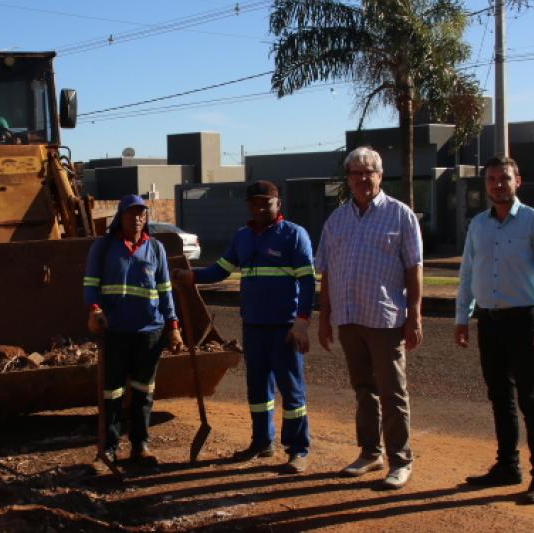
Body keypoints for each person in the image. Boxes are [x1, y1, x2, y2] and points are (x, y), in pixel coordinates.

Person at [173, 180, 314, 474]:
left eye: (266, 202)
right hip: (253, 326)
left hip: (284, 327)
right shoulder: (243, 237)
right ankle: (262, 442)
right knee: (258, 389)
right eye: (254, 203)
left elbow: (307, 281)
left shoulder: (294, 235)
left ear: (278, 204)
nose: (260, 207)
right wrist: (191, 276)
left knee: (292, 391)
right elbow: (220, 270)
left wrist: (302, 322)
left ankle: (297, 449)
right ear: (248, 206)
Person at [455, 156, 534, 504]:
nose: (497, 184)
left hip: (524, 321)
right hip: (489, 321)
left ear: (518, 182)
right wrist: (462, 317)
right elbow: (468, 274)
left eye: (504, 178)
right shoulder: (478, 225)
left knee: (530, 398)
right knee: (499, 396)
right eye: (491, 179)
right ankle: (507, 466)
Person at [315, 146, 422, 490]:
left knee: (393, 392)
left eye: (368, 172)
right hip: (349, 318)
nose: (362, 178)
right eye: (355, 173)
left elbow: (414, 268)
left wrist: (415, 315)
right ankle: (370, 452)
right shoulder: (337, 220)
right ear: (347, 179)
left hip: (386, 319)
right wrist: (324, 315)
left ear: (380, 175)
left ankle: (400, 460)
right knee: (364, 390)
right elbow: (327, 271)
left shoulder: (400, 215)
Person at [83, 194, 183, 467]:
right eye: (131, 214)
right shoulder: (104, 247)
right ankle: (108, 449)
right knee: (112, 392)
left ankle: (141, 446)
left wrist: (173, 326)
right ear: (121, 216)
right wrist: (94, 310)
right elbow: (91, 283)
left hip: (149, 331)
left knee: (142, 391)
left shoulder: (156, 249)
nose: (137, 218)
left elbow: (165, 291)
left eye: (142, 214)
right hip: (115, 331)